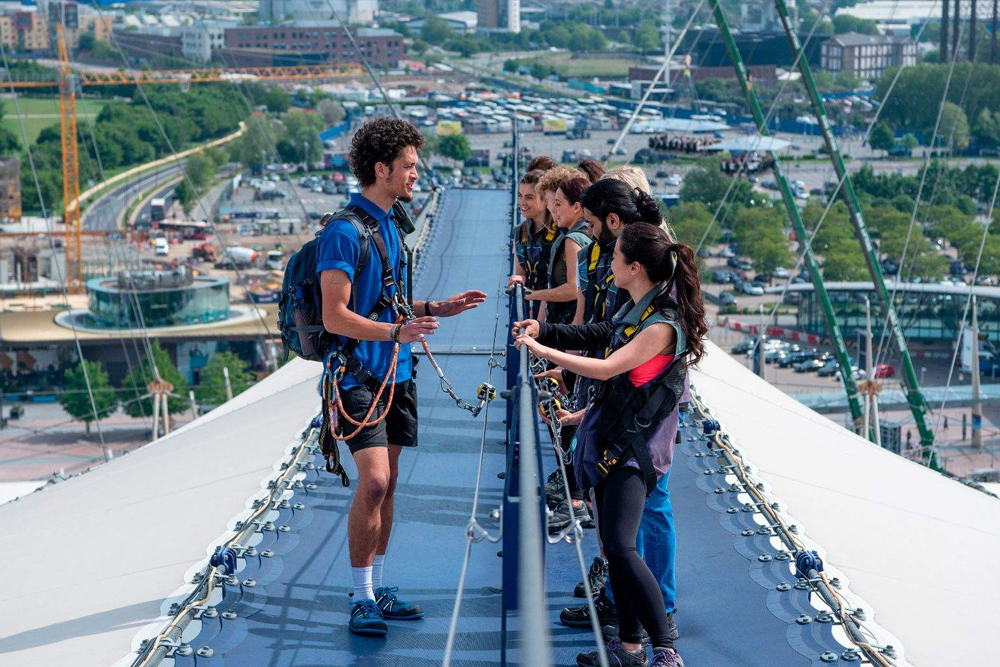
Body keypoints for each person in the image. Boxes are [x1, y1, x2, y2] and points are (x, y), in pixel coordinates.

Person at [317, 117, 486, 637]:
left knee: (387, 487)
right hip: (358, 376)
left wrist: (435, 308)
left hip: (396, 371)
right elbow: (334, 316)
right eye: (409, 166)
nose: (416, 174)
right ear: (381, 169)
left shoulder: (390, 223)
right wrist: (396, 332)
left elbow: (388, 300)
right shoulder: (344, 232)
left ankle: (377, 587)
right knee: (374, 482)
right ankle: (360, 596)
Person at [514, 223, 708, 667]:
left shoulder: (661, 326)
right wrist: (544, 330)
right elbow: (599, 335)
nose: (609, 263)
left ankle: (665, 649)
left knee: (621, 546)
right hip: (612, 440)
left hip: (633, 451)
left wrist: (540, 349)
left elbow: (608, 368)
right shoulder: (639, 310)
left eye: (616, 257)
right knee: (612, 549)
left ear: (635, 267)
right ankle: (630, 646)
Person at [526, 171, 591, 325]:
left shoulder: (572, 240)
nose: (553, 209)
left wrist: (530, 295)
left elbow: (573, 289)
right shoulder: (587, 233)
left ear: (576, 207)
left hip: (567, 322)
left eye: (558, 203)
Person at [509, 169, 558, 320]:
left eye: (529, 197)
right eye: (520, 196)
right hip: (529, 304)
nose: (522, 202)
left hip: (554, 308)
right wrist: (518, 280)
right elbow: (521, 272)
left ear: (545, 199)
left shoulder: (560, 233)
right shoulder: (519, 232)